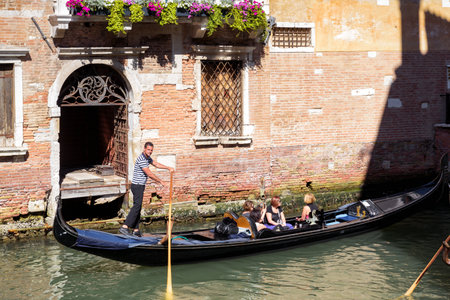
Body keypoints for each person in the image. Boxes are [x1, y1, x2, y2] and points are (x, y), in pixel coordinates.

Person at [119, 142, 174, 237]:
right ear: (144, 149)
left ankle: (136, 230)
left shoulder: (147, 158)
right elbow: (149, 173)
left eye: (151, 150)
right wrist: (160, 181)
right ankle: (124, 227)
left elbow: (155, 164)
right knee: (137, 206)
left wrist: (168, 168)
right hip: (137, 186)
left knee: (138, 207)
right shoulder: (142, 160)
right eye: (148, 150)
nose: (150, 152)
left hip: (140, 186)